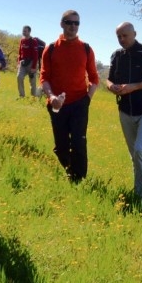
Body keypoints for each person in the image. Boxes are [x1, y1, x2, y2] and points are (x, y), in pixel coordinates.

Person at [106, 22, 142, 205]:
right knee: (134, 154)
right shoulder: (116, 56)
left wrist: (134, 87)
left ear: (134, 34)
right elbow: (109, 79)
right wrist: (112, 87)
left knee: (140, 149)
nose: (122, 39)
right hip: (125, 110)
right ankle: (139, 193)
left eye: (125, 35)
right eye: (119, 37)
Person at [40, 10, 98, 183]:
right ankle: (70, 170)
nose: (73, 26)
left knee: (79, 143)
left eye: (76, 23)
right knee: (61, 147)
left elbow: (94, 77)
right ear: (62, 24)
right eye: (69, 22)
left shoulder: (86, 49)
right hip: (57, 104)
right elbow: (44, 78)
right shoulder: (50, 49)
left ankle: (78, 181)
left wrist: (88, 98)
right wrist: (52, 97)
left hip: (80, 103)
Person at [17, 25, 44, 98]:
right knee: (19, 77)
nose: (23, 32)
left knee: (32, 81)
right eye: (23, 31)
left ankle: (34, 96)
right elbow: (20, 51)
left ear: (29, 32)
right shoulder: (22, 40)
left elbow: (35, 55)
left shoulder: (33, 41)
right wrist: (18, 61)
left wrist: (33, 67)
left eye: (25, 31)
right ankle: (21, 96)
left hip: (31, 63)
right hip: (22, 63)